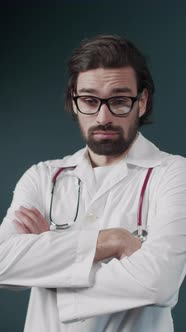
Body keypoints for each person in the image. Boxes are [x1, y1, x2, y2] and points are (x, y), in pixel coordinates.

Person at [0, 35, 186, 332]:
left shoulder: (174, 174)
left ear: (143, 101)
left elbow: (159, 283)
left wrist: (46, 260)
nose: (103, 117)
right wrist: (113, 241)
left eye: (120, 101)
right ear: (73, 102)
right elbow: (2, 264)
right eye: (89, 100)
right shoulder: (43, 176)